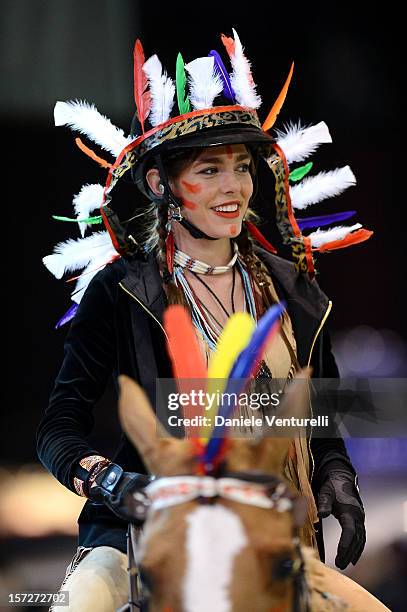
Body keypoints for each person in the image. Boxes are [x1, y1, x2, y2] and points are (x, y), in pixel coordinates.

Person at [37, 30, 368, 611]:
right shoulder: (123, 291)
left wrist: (338, 477)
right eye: (209, 170)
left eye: (241, 168)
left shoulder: (293, 289)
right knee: (80, 605)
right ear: (162, 184)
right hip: (149, 536)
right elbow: (57, 430)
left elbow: (322, 415)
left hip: (270, 536)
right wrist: (114, 484)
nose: (234, 187)